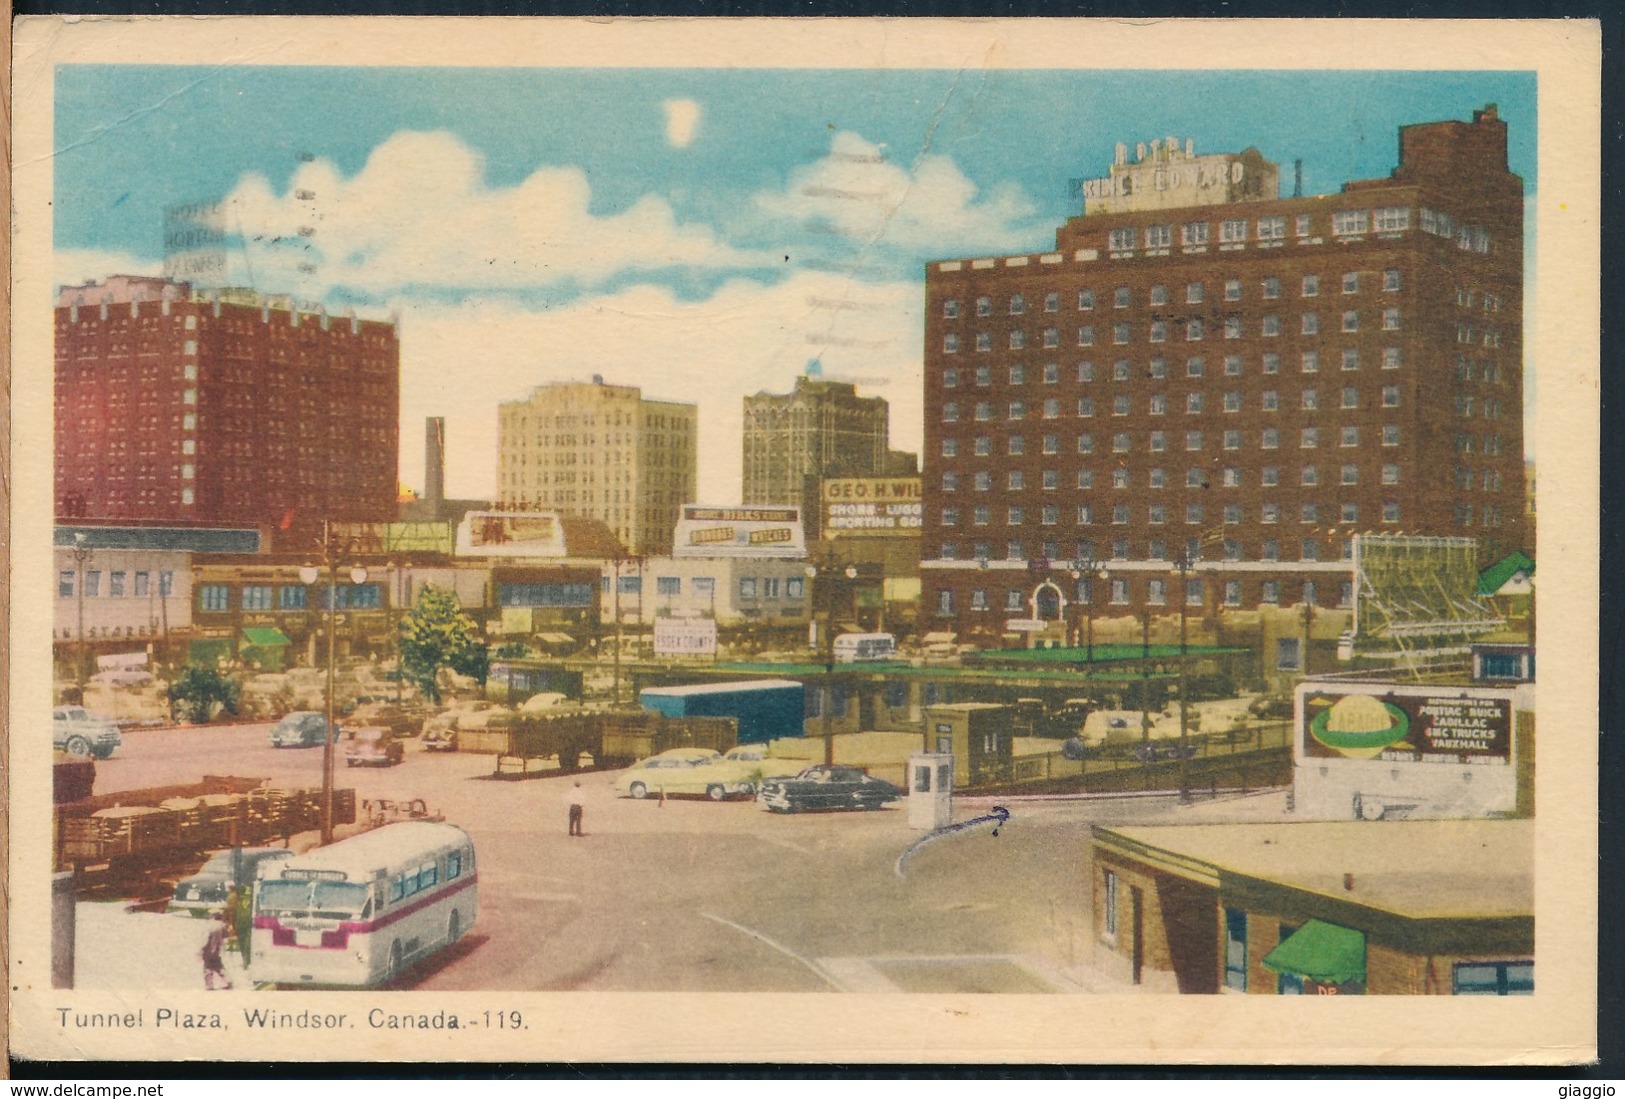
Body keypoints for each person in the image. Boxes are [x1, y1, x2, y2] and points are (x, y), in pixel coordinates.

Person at [201, 912, 231, 990]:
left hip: (208, 951)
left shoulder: (210, 926)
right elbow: (226, 940)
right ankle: (228, 981)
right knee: (219, 967)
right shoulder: (222, 926)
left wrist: (201, 949)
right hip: (217, 951)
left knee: (208, 968)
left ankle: (209, 985)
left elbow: (205, 939)